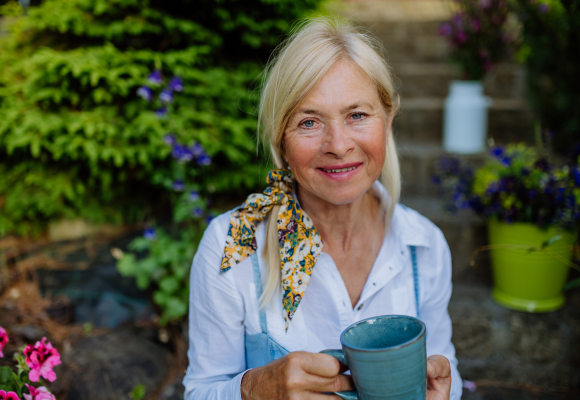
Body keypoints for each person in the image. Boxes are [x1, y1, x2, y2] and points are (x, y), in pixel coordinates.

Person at [183, 18, 463, 400]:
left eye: (357, 115)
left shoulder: (424, 246)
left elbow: (445, 368)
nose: (338, 144)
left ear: (388, 119)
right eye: (309, 122)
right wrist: (255, 389)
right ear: (281, 139)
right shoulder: (232, 245)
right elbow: (201, 390)